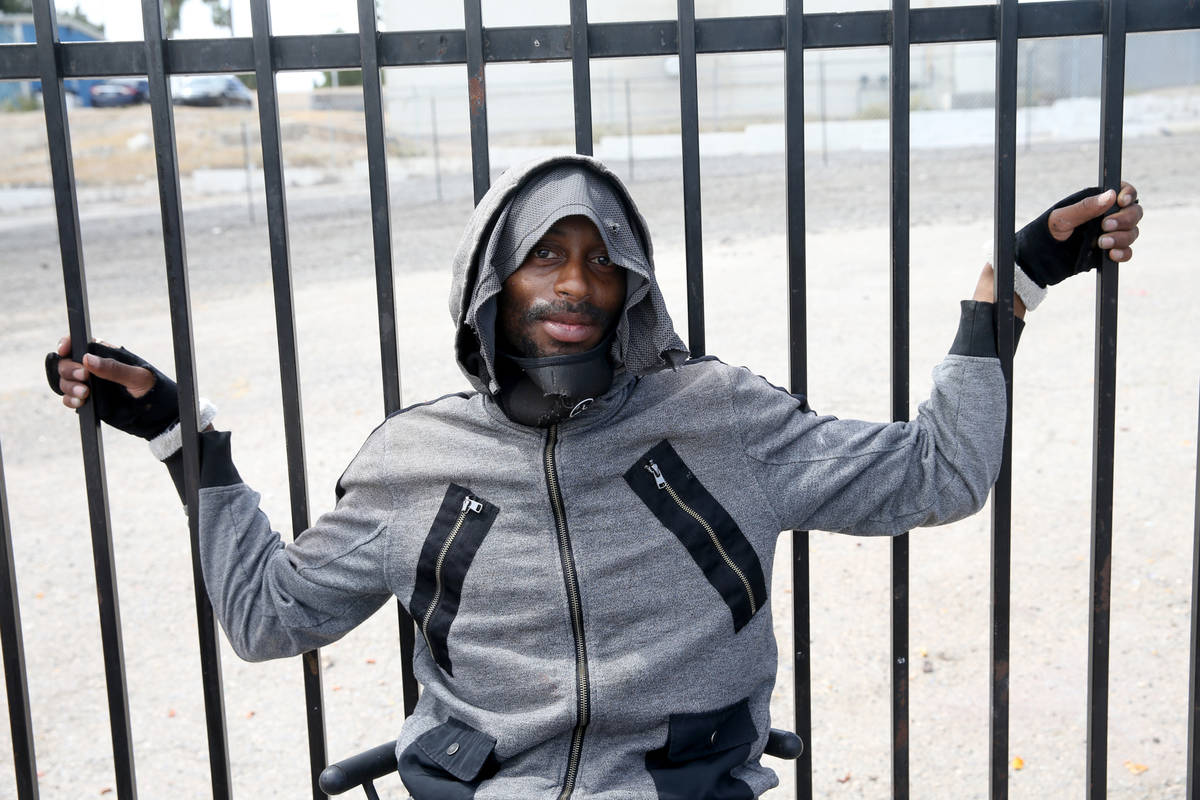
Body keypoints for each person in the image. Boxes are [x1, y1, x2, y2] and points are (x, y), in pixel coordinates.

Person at [47, 156, 1142, 799]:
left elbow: (937, 473)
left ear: (633, 283)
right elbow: (268, 615)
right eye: (543, 254)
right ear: (492, 278)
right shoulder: (414, 458)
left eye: (600, 257)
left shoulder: (719, 417)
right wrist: (177, 436)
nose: (575, 281)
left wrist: (1014, 286)